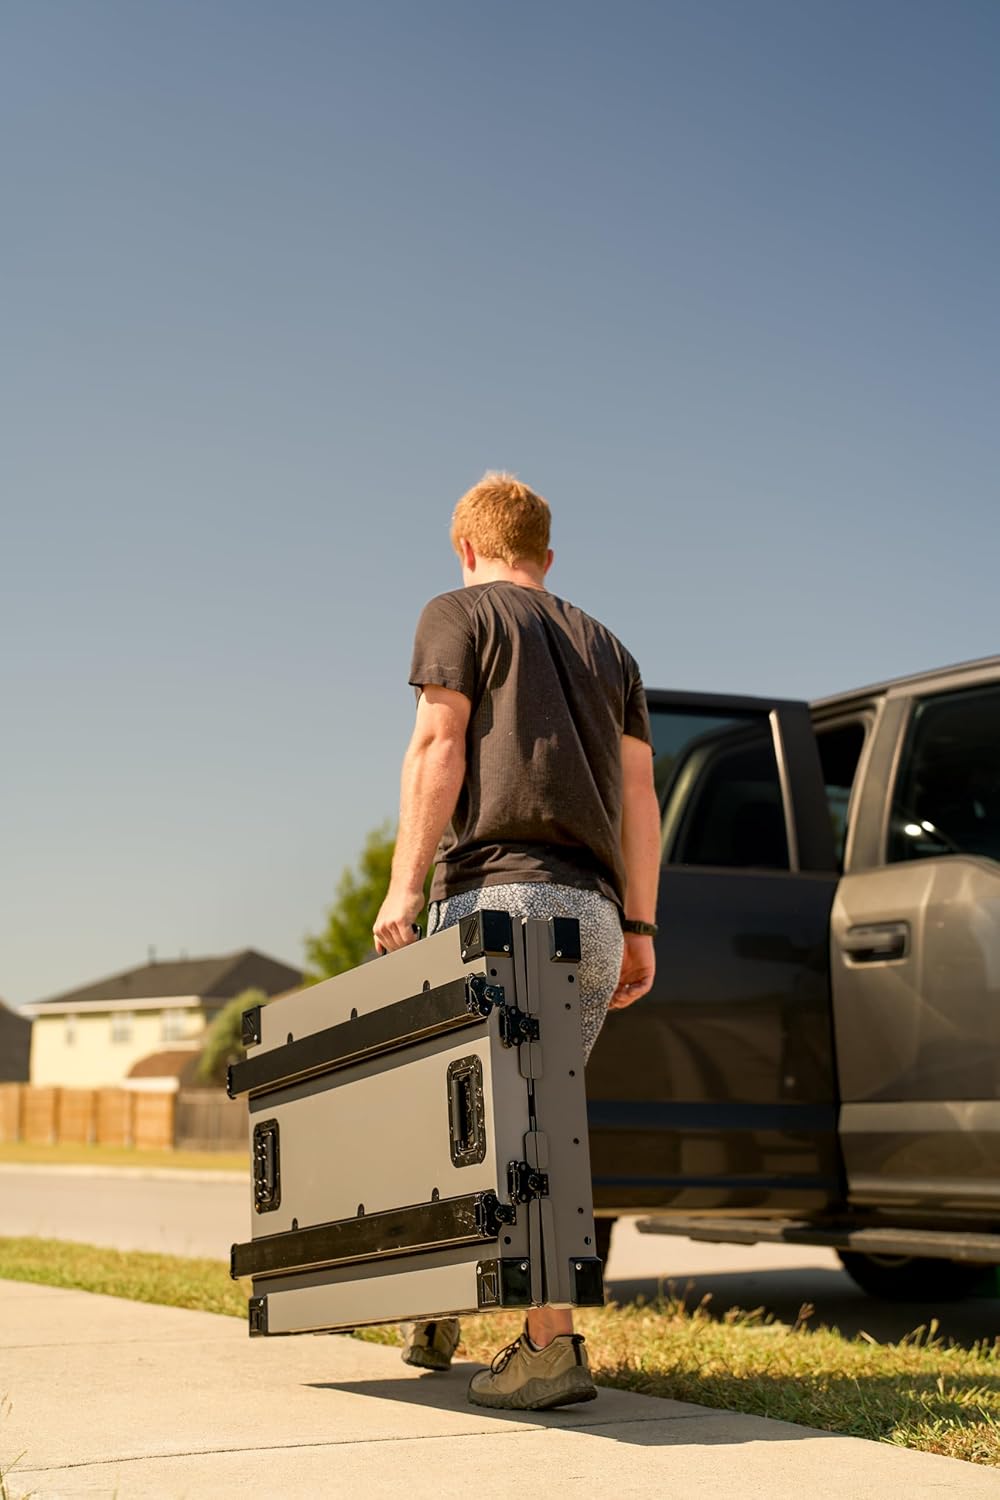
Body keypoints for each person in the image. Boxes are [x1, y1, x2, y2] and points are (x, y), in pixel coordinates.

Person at [373, 472, 661, 1411]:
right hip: (592, 914)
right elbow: (639, 798)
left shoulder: (458, 613)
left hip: (499, 899)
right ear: (547, 553)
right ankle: (449, 1307)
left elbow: (437, 745)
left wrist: (403, 884)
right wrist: (642, 924)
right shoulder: (607, 647)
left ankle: (548, 1348)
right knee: (528, 1121)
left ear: (467, 547)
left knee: (483, 1119)